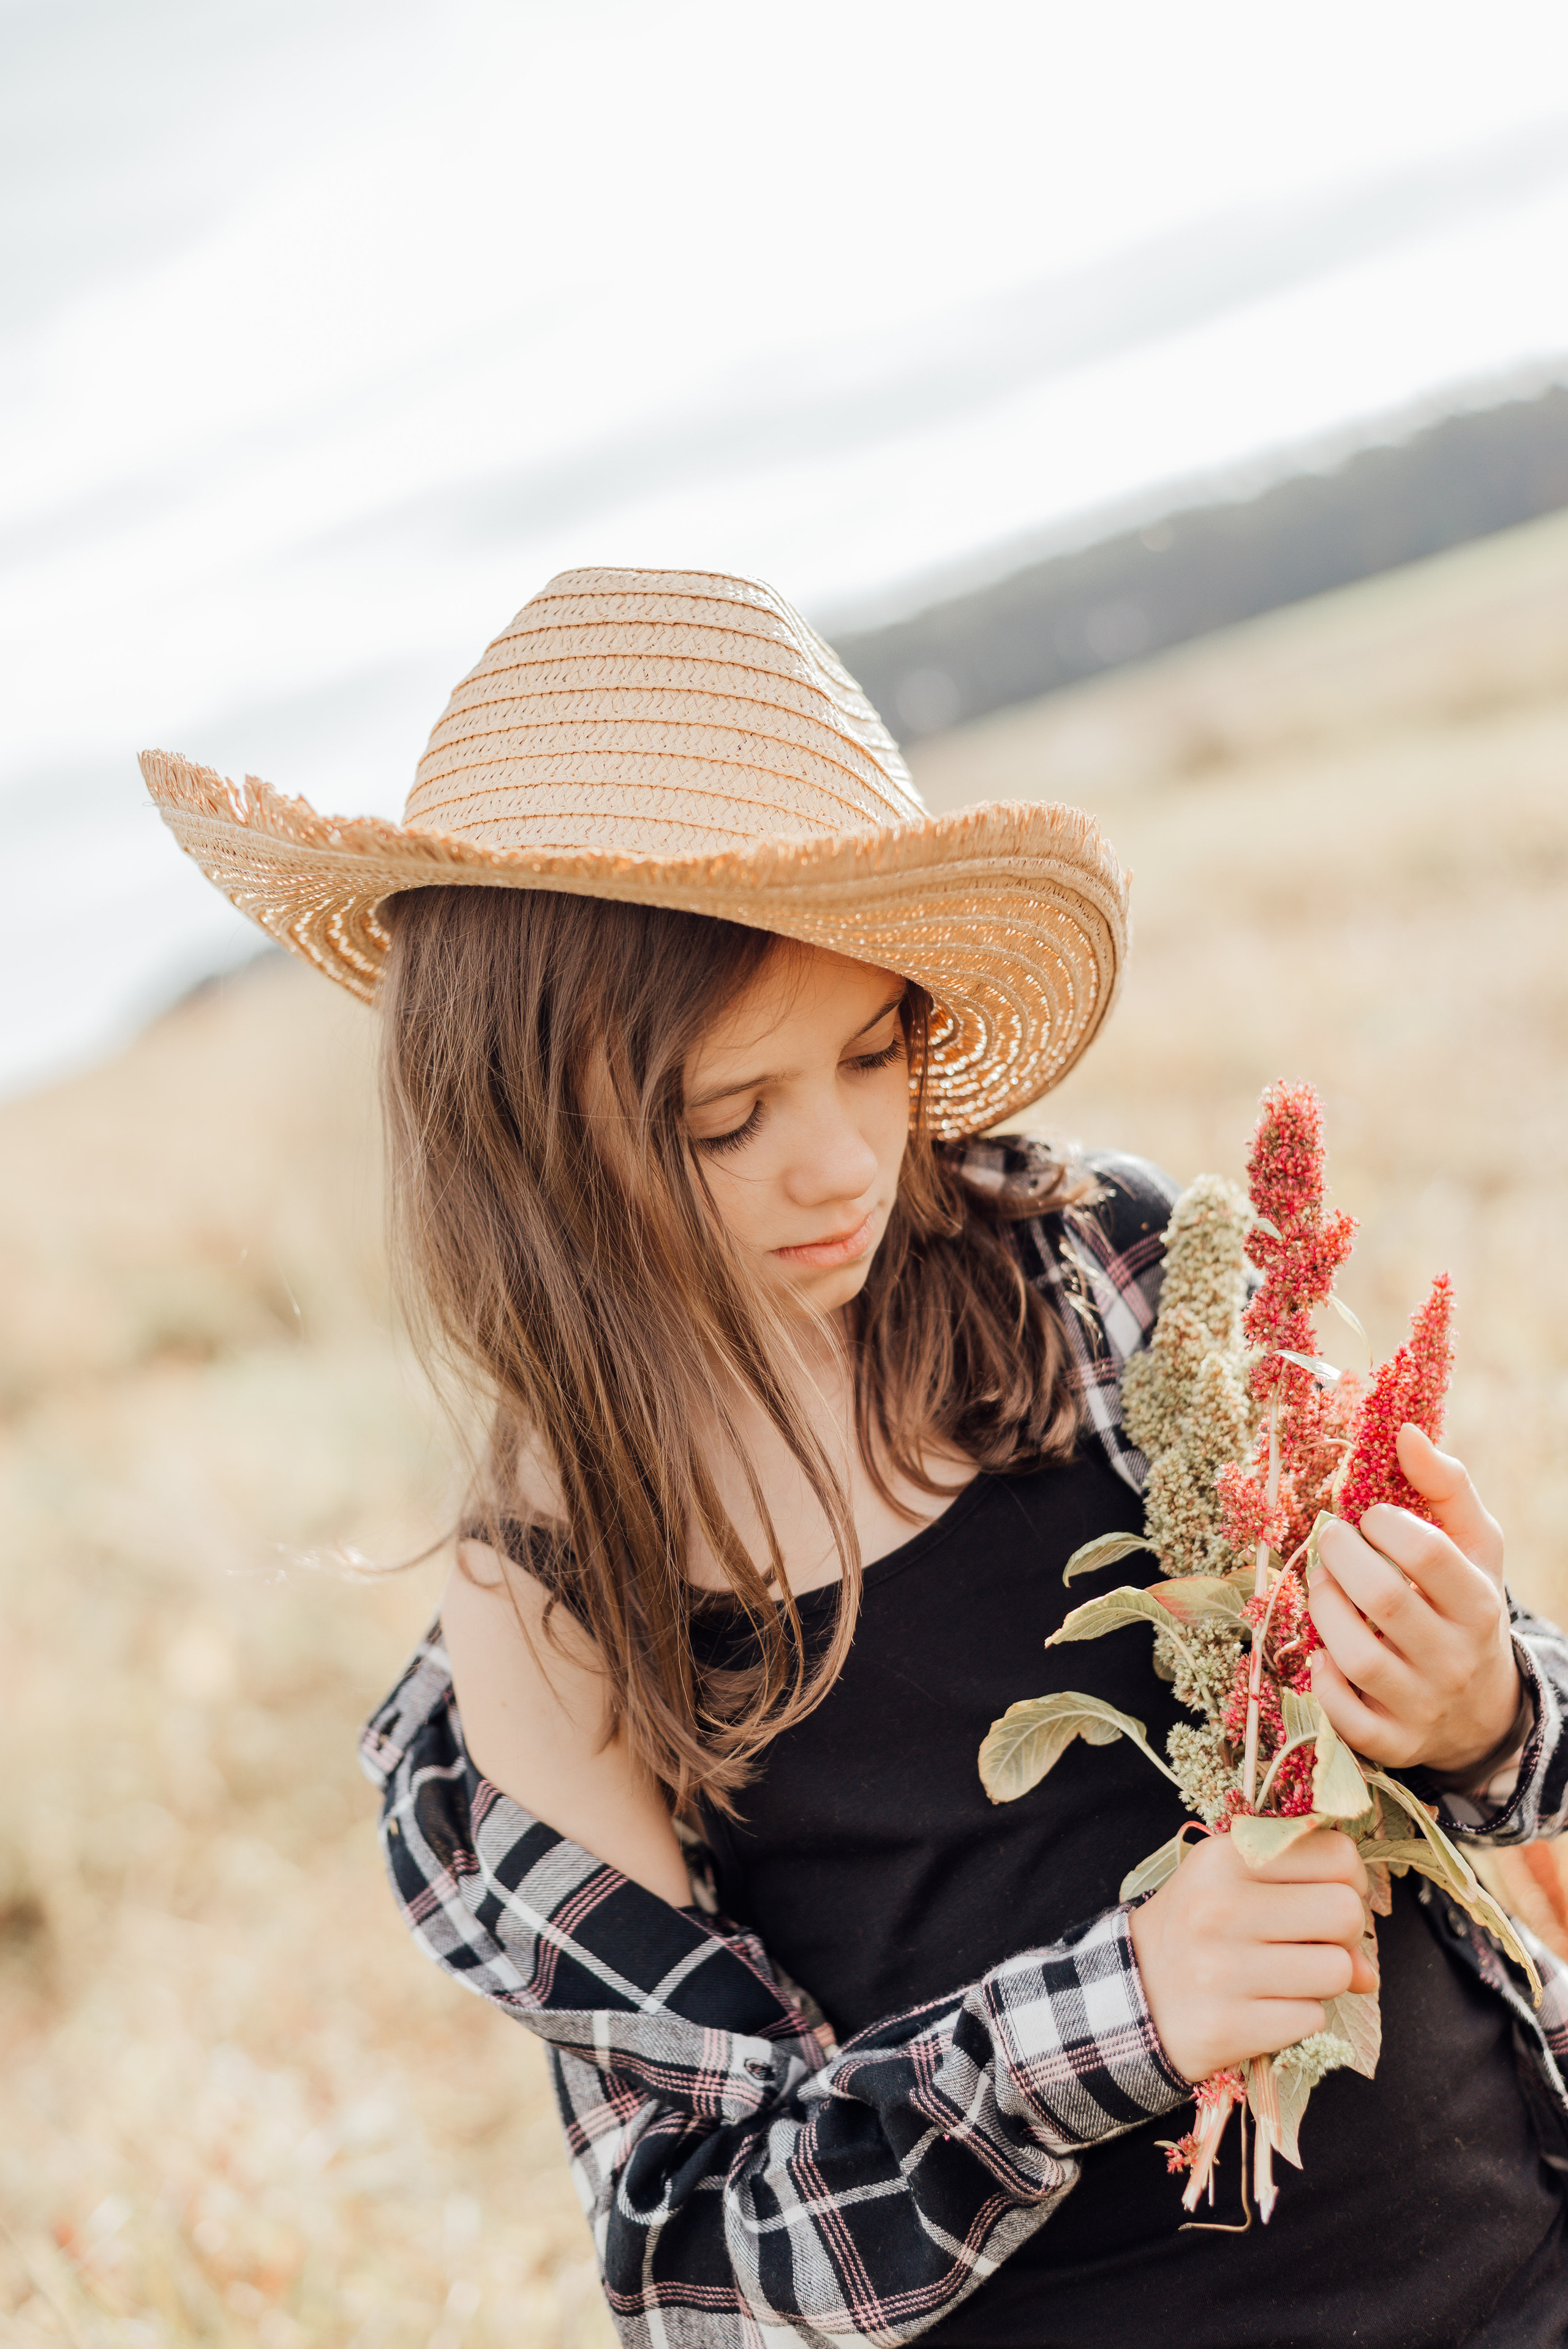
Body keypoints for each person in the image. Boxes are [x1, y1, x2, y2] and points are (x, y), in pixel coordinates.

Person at [144, 569, 1568, 2348]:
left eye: (875, 1049)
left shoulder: (1096, 1268)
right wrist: (1127, 2008)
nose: (840, 1164)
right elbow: (693, 2254)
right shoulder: (556, 1597)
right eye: (727, 1116)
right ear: (526, 1139)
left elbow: (1512, 1775)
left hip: (1509, 2249)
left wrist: (1476, 1703)